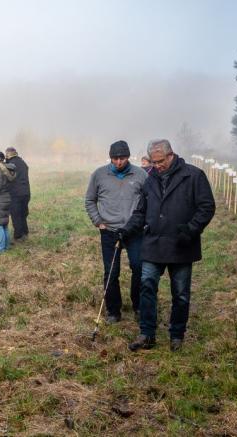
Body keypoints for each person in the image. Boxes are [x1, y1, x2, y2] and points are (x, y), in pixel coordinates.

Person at [125, 139, 215, 352]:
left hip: (181, 245)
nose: (156, 166)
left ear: (171, 154)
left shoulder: (193, 175)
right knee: (146, 285)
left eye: (160, 161)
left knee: (181, 293)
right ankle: (147, 334)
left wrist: (191, 229)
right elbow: (140, 211)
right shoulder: (150, 180)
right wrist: (127, 229)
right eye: (153, 162)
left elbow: (207, 206)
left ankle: (177, 335)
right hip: (153, 244)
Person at [84, 140, 148, 323]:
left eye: (122, 158)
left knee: (139, 268)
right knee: (111, 271)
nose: (119, 162)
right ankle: (113, 311)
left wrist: (143, 223)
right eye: (115, 158)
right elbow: (89, 200)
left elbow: (150, 200)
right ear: (110, 158)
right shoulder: (98, 175)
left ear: (128, 157)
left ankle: (139, 306)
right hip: (109, 231)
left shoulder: (141, 174)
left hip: (134, 231)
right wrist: (98, 221)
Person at [4, 147, 31, 240]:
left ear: (8, 154)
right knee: (23, 213)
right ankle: (25, 232)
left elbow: (8, 178)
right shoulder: (22, 162)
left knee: (16, 214)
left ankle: (18, 235)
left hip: (15, 192)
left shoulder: (10, 164)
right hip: (26, 192)